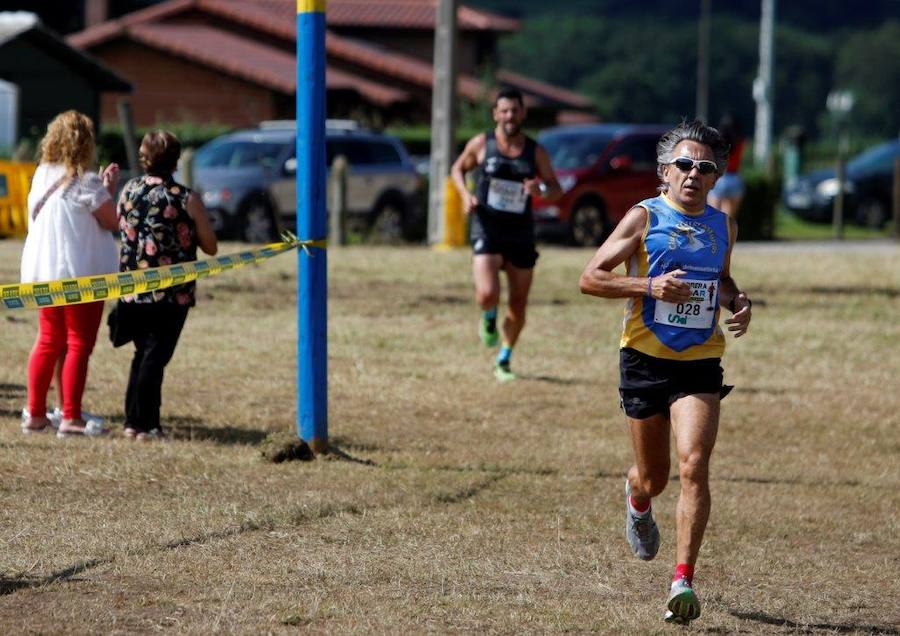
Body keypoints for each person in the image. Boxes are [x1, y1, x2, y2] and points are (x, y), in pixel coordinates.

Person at [578, 120, 752, 624]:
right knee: (654, 477)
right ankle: (637, 500)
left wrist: (738, 300)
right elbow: (590, 278)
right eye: (684, 164)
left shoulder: (724, 225)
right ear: (664, 171)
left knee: (694, 464)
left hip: (699, 360)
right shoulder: (643, 217)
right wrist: (648, 288)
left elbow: (720, 280)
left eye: (705, 167)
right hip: (644, 359)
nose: (693, 174)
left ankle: (683, 580)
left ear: (716, 177)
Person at [450, 87, 563, 382]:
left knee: (518, 303)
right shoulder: (482, 144)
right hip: (487, 226)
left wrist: (538, 189)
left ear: (522, 113)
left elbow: (555, 189)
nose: (509, 116)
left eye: (515, 110)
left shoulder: (534, 151)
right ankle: (488, 318)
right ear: (495, 114)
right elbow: (457, 169)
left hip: (521, 233)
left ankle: (504, 358)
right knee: (487, 293)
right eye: (504, 110)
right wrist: (465, 196)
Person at [20, 110, 120, 437]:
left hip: (46, 272)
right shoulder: (86, 181)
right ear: (84, 143)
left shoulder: (41, 176)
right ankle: (71, 417)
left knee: (48, 341)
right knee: (79, 344)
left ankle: (35, 413)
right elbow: (112, 221)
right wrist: (109, 189)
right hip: (82, 275)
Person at [116, 130, 217, 441]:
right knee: (155, 357)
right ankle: (147, 426)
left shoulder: (128, 190)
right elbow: (211, 247)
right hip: (171, 294)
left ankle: (134, 422)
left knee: (142, 354)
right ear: (175, 159)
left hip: (132, 289)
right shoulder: (185, 197)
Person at [706, 113, 745, 219]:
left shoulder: (717, 142)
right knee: (728, 220)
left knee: (712, 217)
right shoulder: (740, 141)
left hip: (719, 177)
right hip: (734, 177)